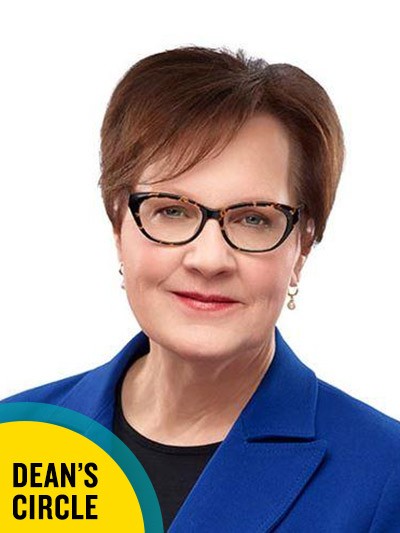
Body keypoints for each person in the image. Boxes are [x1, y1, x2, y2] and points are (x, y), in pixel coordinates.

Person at [3, 46, 400, 532]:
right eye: (171, 210)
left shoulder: (387, 475)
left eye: (254, 219)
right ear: (118, 226)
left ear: (301, 247)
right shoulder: (14, 441)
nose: (209, 259)